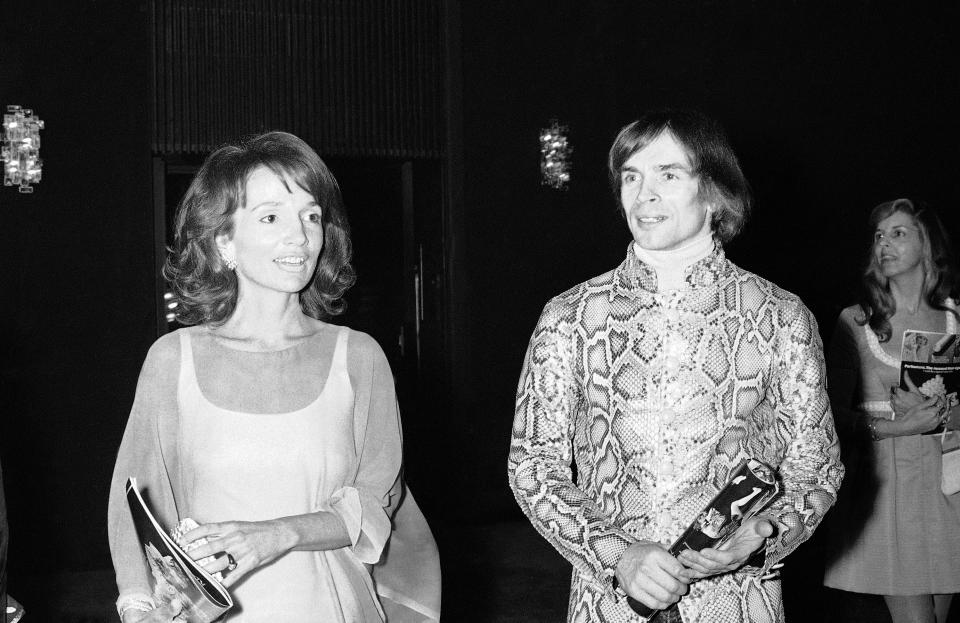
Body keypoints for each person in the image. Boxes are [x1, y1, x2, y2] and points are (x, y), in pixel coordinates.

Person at [508, 109, 844, 622]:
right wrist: (617, 554)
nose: (644, 194)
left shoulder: (778, 316)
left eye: (669, 174)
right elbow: (532, 466)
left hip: (736, 601)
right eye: (631, 176)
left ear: (713, 191)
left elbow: (815, 466)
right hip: (611, 605)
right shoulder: (572, 317)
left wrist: (764, 533)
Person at [107, 131, 440, 623]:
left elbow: (377, 500)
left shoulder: (359, 358)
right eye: (270, 217)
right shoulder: (172, 360)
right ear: (224, 242)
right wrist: (138, 605)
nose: (300, 236)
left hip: (333, 608)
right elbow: (135, 503)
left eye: (311, 215)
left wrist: (278, 533)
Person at [823, 198, 960, 623]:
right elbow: (827, 417)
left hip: (948, 487)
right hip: (885, 491)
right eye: (879, 236)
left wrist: (942, 415)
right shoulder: (855, 321)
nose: (884, 244)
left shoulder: (957, 319)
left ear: (928, 243)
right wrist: (898, 426)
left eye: (899, 233)